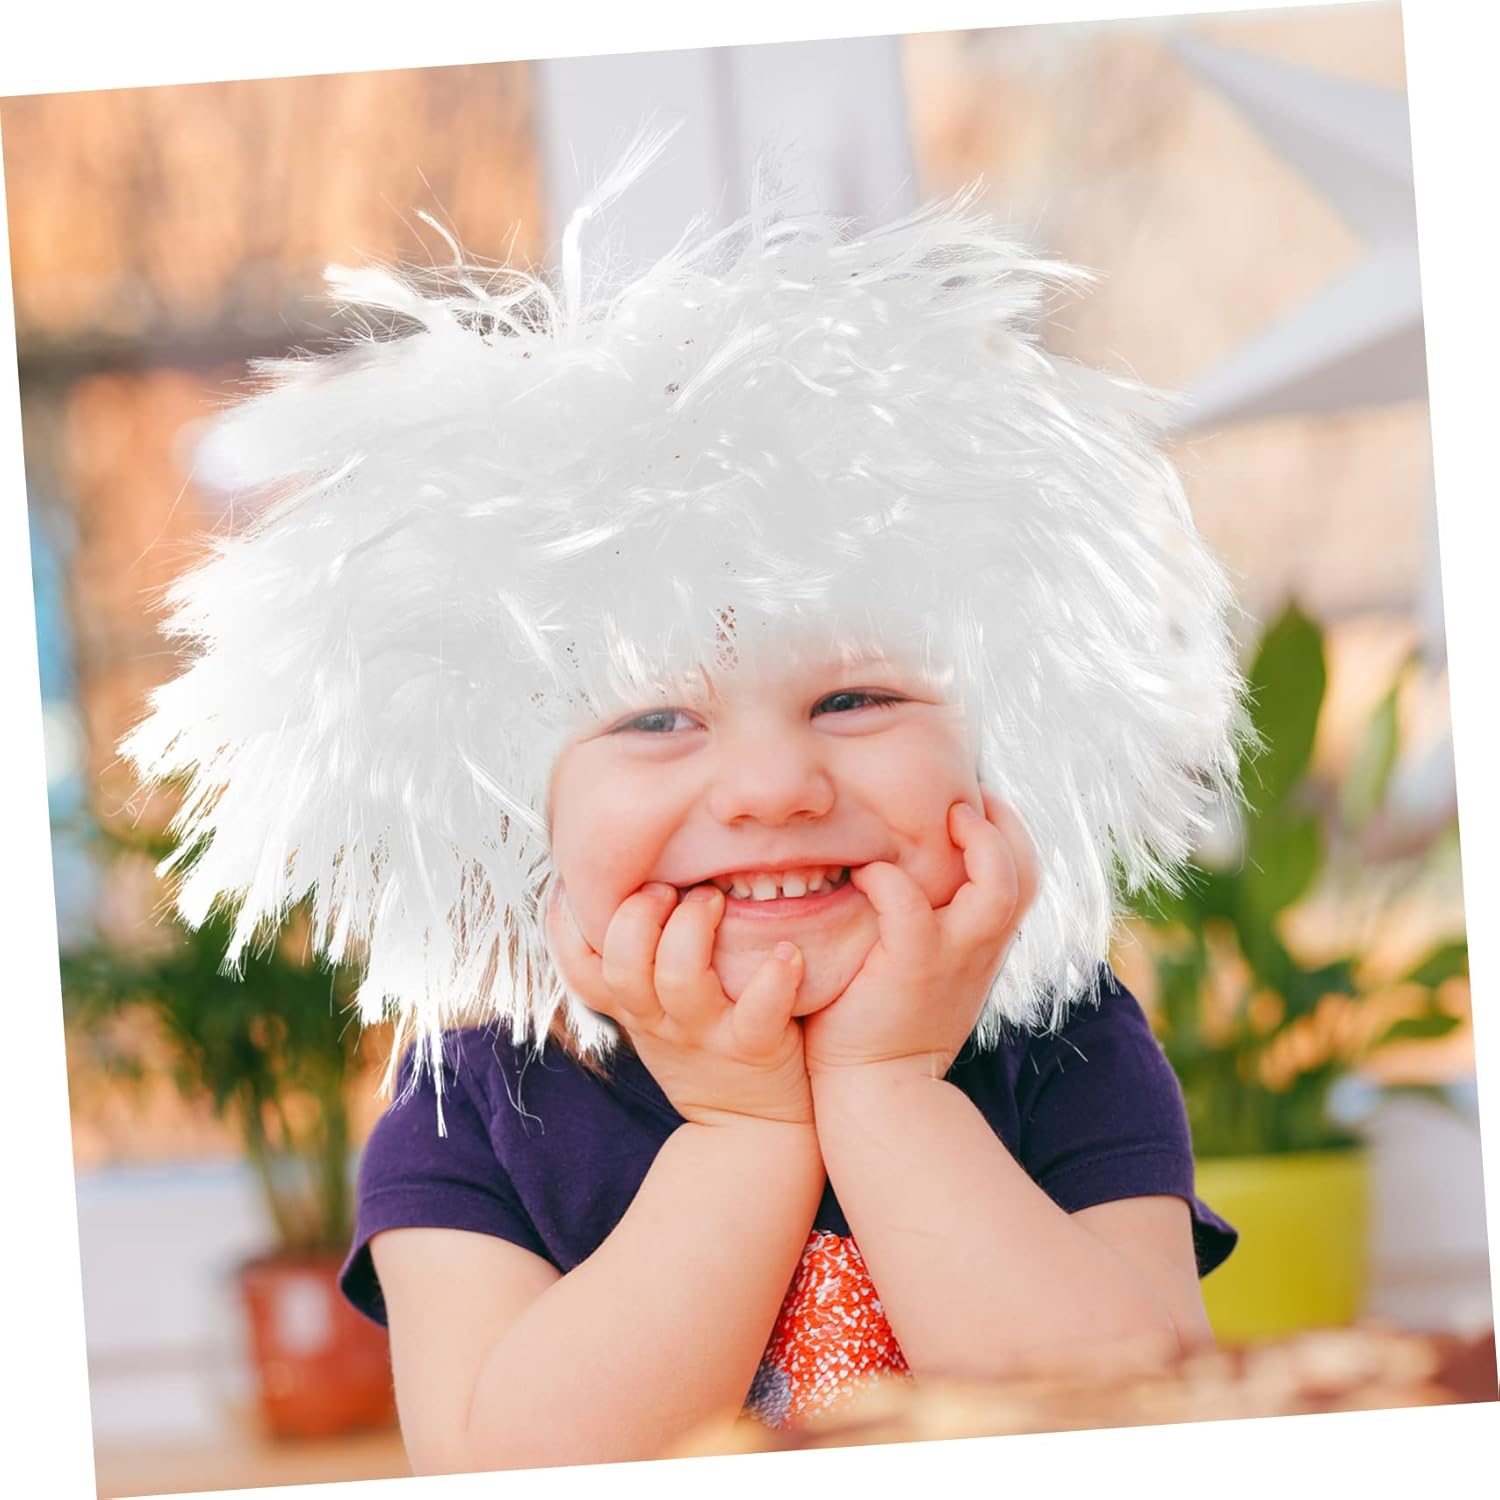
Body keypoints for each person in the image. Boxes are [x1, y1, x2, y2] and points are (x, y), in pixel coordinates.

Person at [121, 131, 1244, 1473]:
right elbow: (506, 1470)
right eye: (656, 720)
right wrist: (745, 1134)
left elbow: (1142, 1427)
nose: (773, 788)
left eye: (856, 698)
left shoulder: (1064, 1041)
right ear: (512, 802)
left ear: (1000, 745)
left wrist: (888, 1092)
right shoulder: (476, 1102)